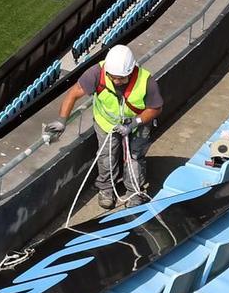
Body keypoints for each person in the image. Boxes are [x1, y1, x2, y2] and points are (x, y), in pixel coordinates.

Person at [57, 44, 163, 208]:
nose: (116, 81)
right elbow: (73, 94)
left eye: (121, 78)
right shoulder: (96, 74)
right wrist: (62, 121)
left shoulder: (145, 81)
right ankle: (106, 189)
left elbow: (155, 108)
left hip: (137, 125)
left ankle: (134, 192)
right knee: (107, 156)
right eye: (113, 77)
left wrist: (134, 123)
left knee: (134, 158)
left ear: (131, 71)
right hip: (106, 123)